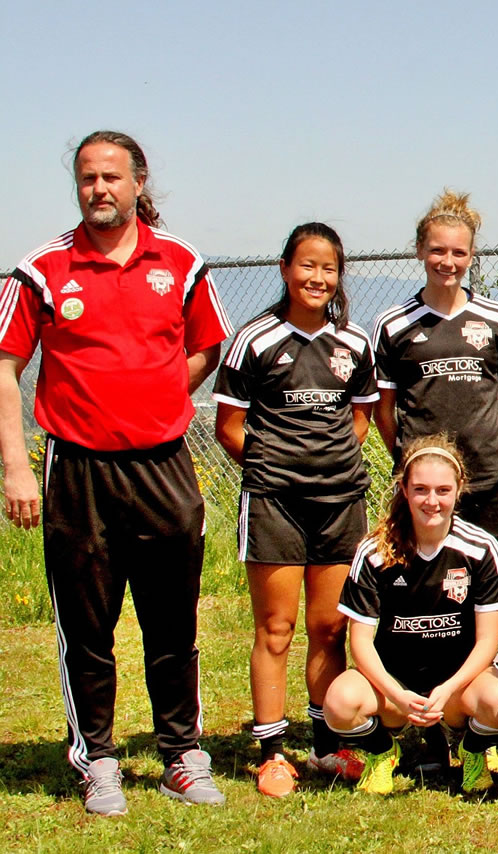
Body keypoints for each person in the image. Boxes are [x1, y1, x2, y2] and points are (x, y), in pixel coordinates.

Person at [0, 130, 232, 815]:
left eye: (111, 177)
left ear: (138, 182)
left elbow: (205, 350)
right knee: (88, 626)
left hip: (163, 465)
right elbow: (6, 366)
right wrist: (16, 464)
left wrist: (155, 396)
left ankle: (181, 755)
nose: (99, 188)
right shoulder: (42, 269)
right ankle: (96, 758)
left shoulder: (182, 262)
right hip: (75, 467)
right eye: (87, 178)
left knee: (172, 622)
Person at [213, 223, 377, 796]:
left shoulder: (354, 342)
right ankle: (272, 751)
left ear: (338, 276)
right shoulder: (254, 340)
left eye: (328, 268)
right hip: (274, 504)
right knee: (277, 629)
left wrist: (328, 466)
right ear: (285, 269)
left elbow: (361, 419)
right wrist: (276, 473)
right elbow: (229, 427)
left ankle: (327, 746)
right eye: (307, 266)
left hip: (340, 503)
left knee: (329, 629)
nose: (317, 277)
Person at [323, 435, 498, 796]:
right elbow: (359, 640)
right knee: (339, 702)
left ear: (459, 491)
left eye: (443, 490)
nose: (432, 501)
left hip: (457, 687)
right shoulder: (375, 551)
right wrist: (396, 693)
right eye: (421, 489)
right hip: (396, 687)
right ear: (404, 490)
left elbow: (489, 640)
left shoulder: (481, 548)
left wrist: (448, 690)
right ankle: (382, 752)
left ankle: (471, 749)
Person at [373, 190, 498, 552]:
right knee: (421, 577)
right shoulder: (394, 324)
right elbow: (384, 411)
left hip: (488, 475)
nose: (448, 261)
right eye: (438, 250)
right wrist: (411, 460)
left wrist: (494, 449)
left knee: (489, 578)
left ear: (471, 255)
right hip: (426, 480)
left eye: (459, 252)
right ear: (419, 250)